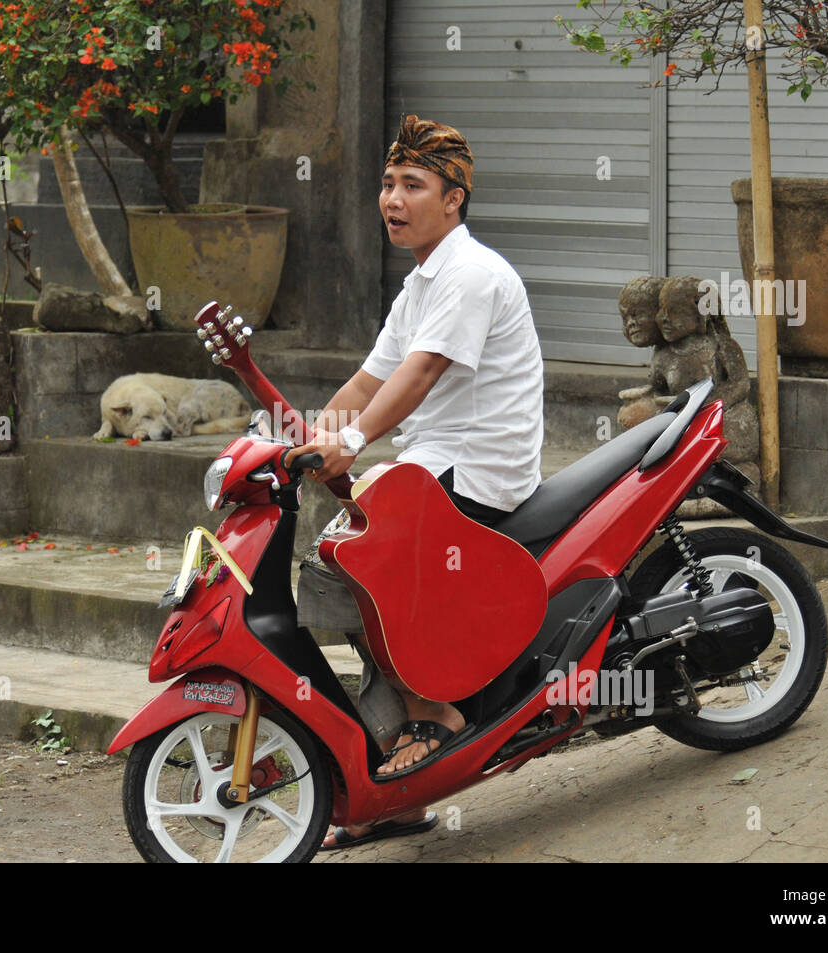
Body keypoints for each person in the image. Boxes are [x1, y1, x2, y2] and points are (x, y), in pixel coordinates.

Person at [284, 114, 544, 850]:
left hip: (479, 467)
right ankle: (399, 787)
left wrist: (355, 441)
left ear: (454, 199)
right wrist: (298, 444)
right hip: (433, 462)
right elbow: (369, 378)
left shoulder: (470, 274)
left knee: (364, 562)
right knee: (338, 578)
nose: (393, 199)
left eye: (414, 185)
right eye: (388, 184)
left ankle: (438, 712)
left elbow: (419, 375)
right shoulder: (421, 282)